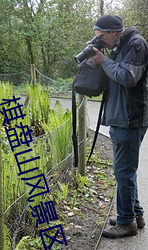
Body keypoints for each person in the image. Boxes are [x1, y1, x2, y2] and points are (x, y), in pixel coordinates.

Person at [90, 15, 148, 238]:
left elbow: (127, 77)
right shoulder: (119, 46)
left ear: (114, 32)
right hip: (120, 117)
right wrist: (100, 60)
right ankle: (135, 214)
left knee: (123, 171)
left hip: (130, 118)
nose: (101, 41)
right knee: (125, 171)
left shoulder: (136, 44)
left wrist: (103, 61)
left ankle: (126, 223)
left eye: (102, 37)